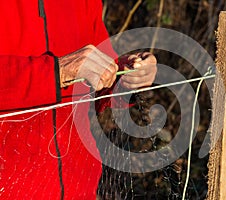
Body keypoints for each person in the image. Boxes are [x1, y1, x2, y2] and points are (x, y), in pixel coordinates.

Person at [0, 0, 157, 199]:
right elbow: (65, 70)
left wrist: (127, 77)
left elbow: (99, 82)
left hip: (79, 186)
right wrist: (56, 72)